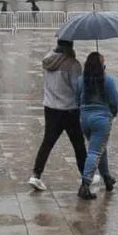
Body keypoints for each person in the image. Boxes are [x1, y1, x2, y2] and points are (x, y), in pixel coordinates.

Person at [28, 39, 89, 192]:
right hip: (69, 109)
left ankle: (36, 175)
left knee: (47, 142)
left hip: (50, 107)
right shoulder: (72, 64)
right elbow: (77, 88)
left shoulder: (48, 60)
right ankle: (86, 175)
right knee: (78, 144)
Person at [76, 52, 118, 200]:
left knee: (100, 149)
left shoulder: (81, 81)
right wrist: (112, 114)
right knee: (95, 151)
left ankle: (107, 178)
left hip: (85, 120)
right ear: (102, 66)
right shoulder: (108, 81)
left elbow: (77, 100)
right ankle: (85, 184)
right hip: (101, 120)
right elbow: (115, 102)